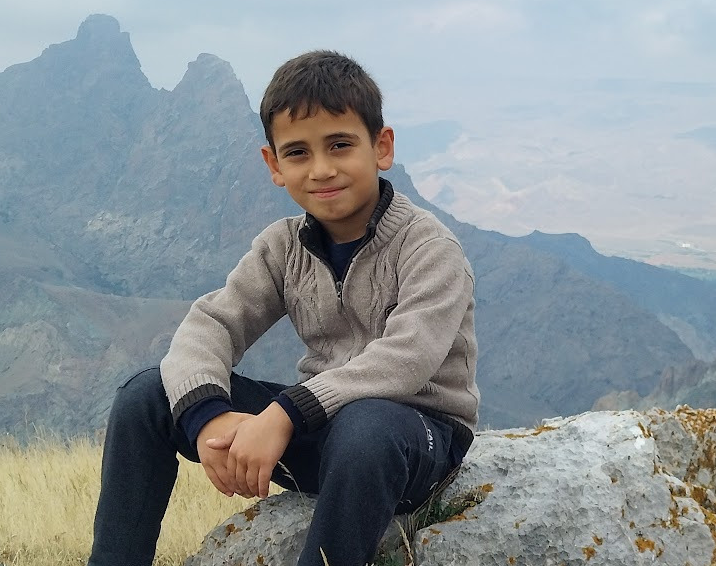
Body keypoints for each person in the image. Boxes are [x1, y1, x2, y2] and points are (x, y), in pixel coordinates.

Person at [88, 50, 478, 566]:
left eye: (340, 145)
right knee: (148, 395)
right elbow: (212, 324)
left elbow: (408, 358)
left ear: (381, 147)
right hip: (321, 433)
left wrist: (284, 414)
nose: (322, 169)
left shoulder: (429, 247)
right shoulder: (282, 247)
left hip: (414, 441)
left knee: (366, 428)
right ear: (274, 165)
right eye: (297, 153)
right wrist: (208, 416)